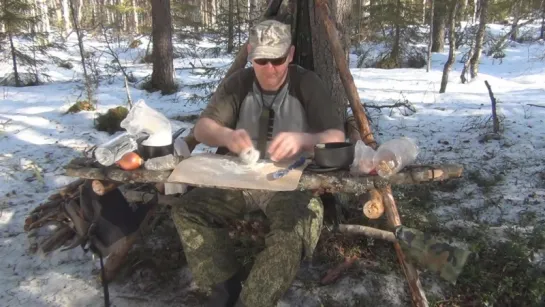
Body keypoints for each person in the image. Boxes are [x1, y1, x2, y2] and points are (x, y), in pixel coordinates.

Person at [171, 19, 345, 307]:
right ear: (251, 53)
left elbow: (337, 135)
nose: (270, 69)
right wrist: (227, 135)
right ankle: (224, 287)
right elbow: (202, 128)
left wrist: (303, 140)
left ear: (290, 54)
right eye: (261, 60)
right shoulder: (239, 84)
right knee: (188, 210)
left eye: (277, 60)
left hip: (294, 183)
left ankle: (253, 301)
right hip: (239, 178)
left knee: (293, 232)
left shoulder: (307, 84)